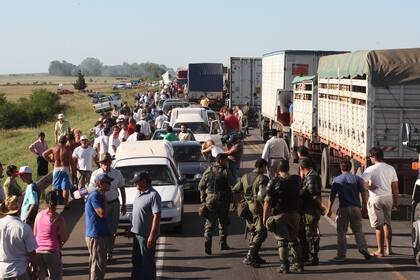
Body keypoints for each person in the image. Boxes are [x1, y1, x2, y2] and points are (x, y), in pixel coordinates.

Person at [326, 159, 371, 262]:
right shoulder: (357, 179)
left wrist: (329, 210)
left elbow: (331, 197)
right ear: (350, 168)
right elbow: (364, 194)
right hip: (356, 208)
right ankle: (363, 248)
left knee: (341, 232)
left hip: (344, 208)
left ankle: (341, 255)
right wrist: (364, 208)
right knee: (358, 231)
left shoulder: (337, 180)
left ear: (340, 168)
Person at [263, 159, 303, 273]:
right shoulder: (296, 180)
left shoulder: (274, 182)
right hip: (295, 214)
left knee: (282, 242)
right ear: (288, 168)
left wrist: (264, 217)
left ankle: (284, 266)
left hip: (280, 215)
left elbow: (267, 201)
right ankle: (298, 264)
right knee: (294, 240)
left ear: (277, 170)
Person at [361, 147, 399, 257]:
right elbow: (395, 187)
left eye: (370, 157)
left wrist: (369, 187)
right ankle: (389, 250)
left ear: (373, 157)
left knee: (378, 226)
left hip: (376, 198)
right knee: (387, 224)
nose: (370, 159)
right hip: (388, 198)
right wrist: (396, 202)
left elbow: (361, 182)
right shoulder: (391, 168)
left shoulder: (370, 169)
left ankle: (380, 251)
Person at [232, 159, 269, 268]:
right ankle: (250, 256)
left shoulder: (245, 176)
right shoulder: (262, 178)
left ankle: (255, 255)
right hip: (257, 207)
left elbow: (235, 190)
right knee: (262, 232)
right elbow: (262, 194)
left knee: (253, 230)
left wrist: (237, 203)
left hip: (246, 207)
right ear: (261, 167)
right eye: (265, 167)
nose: (265, 169)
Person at [89, 153, 126, 261]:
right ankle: (102, 249)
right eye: (104, 162)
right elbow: (91, 189)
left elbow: (122, 188)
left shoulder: (117, 173)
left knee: (112, 229)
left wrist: (124, 203)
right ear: (100, 164)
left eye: (108, 162)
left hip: (114, 203)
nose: (106, 164)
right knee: (101, 228)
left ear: (111, 162)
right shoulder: (95, 174)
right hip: (100, 205)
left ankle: (109, 249)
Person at [198, 153, 235, 255]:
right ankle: (223, 243)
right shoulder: (225, 171)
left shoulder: (208, 171)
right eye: (225, 160)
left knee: (209, 222)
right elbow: (233, 184)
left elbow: (201, 185)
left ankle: (208, 240)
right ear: (219, 161)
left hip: (210, 199)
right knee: (223, 221)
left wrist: (203, 199)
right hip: (223, 199)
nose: (226, 162)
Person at [130, 172, 161, 280]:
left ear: (144, 181)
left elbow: (156, 216)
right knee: (136, 260)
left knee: (147, 262)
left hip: (146, 236)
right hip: (136, 234)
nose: (135, 185)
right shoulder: (138, 192)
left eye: (137, 182)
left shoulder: (153, 195)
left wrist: (152, 236)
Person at [0, 195, 39, 279]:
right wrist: (35, 269)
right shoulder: (24, 228)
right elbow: (32, 253)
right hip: (20, 270)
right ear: (20, 209)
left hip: (2, 271)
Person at [34, 191, 68, 280]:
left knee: (40, 275)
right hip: (52, 251)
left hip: (38, 250)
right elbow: (64, 238)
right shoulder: (59, 218)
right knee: (55, 276)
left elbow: (35, 234)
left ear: (45, 202)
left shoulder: (39, 215)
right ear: (57, 202)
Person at [85, 173, 112, 280]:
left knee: (97, 262)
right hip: (96, 235)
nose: (110, 185)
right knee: (98, 264)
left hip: (98, 233)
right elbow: (101, 213)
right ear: (100, 183)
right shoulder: (95, 196)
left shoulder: (97, 194)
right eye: (108, 183)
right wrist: (104, 200)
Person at [299, 157, 324, 265]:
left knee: (311, 235)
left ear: (302, 168)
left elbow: (314, 196)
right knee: (305, 234)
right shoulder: (310, 176)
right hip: (308, 210)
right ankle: (306, 256)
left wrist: (322, 208)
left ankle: (313, 258)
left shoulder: (311, 178)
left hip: (311, 210)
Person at [43, 135, 74, 208]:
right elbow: (71, 161)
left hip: (56, 168)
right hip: (65, 168)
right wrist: (73, 171)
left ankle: (51, 203)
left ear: (59, 141)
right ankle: (66, 204)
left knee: (54, 187)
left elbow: (44, 154)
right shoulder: (67, 149)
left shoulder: (54, 148)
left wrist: (51, 161)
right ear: (66, 141)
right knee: (65, 188)